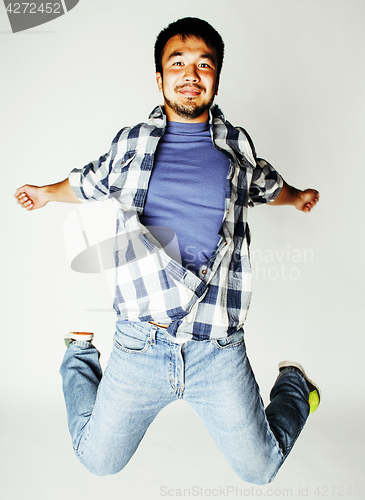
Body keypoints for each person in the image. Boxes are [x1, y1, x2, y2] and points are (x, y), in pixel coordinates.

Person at [14, 17, 321, 485]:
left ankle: (296, 384)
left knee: (260, 469)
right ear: (160, 78)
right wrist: (47, 192)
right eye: (177, 64)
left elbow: (266, 184)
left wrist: (297, 197)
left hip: (216, 347)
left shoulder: (236, 146)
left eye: (204, 64)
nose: (190, 75)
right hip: (141, 343)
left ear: (216, 77)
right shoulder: (132, 142)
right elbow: (89, 181)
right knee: (98, 461)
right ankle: (78, 355)